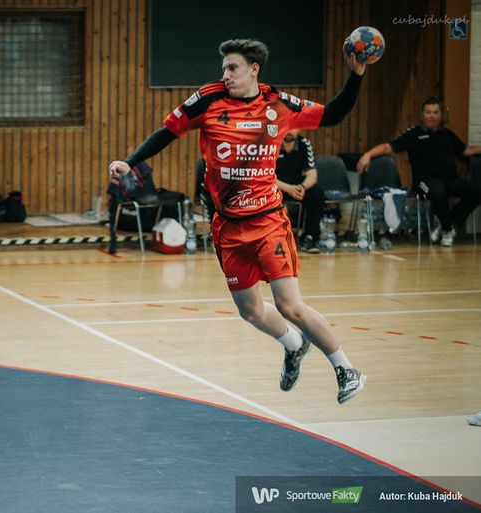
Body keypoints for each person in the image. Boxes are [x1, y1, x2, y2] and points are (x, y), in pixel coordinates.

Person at [109, 39, 367, 404]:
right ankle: (293, 345)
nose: (226, 75)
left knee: (290, 306)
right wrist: (130, 161)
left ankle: (346, 368)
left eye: (233, 68)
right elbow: (167, 132)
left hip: (268, 221)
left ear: (254, 69)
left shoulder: (279, 104)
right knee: (251, 312)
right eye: (224, 68)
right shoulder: (208, 100)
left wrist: (357, 75)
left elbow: (334, 114)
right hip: (228, 226)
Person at [356, 97, 481, 246]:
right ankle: (447, 231)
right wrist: (368, 155)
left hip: (450, 179)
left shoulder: (448, 134)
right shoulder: (413, 135)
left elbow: (465, 150)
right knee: (438, 193)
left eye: (435, 112)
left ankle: (448, 224)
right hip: (424, 181)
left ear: (441, 115)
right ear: (422, 115)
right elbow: (388, 147)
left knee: (477, 191)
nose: (432, 116)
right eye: (428, 112)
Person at [276, 129, 323, 253]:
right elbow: (265, 175)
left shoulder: (304, 143)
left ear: (299, 129)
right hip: (276, 184)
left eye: (294, 128)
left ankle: (309, 237)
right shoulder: (272, 142)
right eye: (287, 127)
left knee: (316, 192)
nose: (290, 131)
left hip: (296, 185)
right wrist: (288, 188)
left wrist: (302, 187)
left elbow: (312, 175)